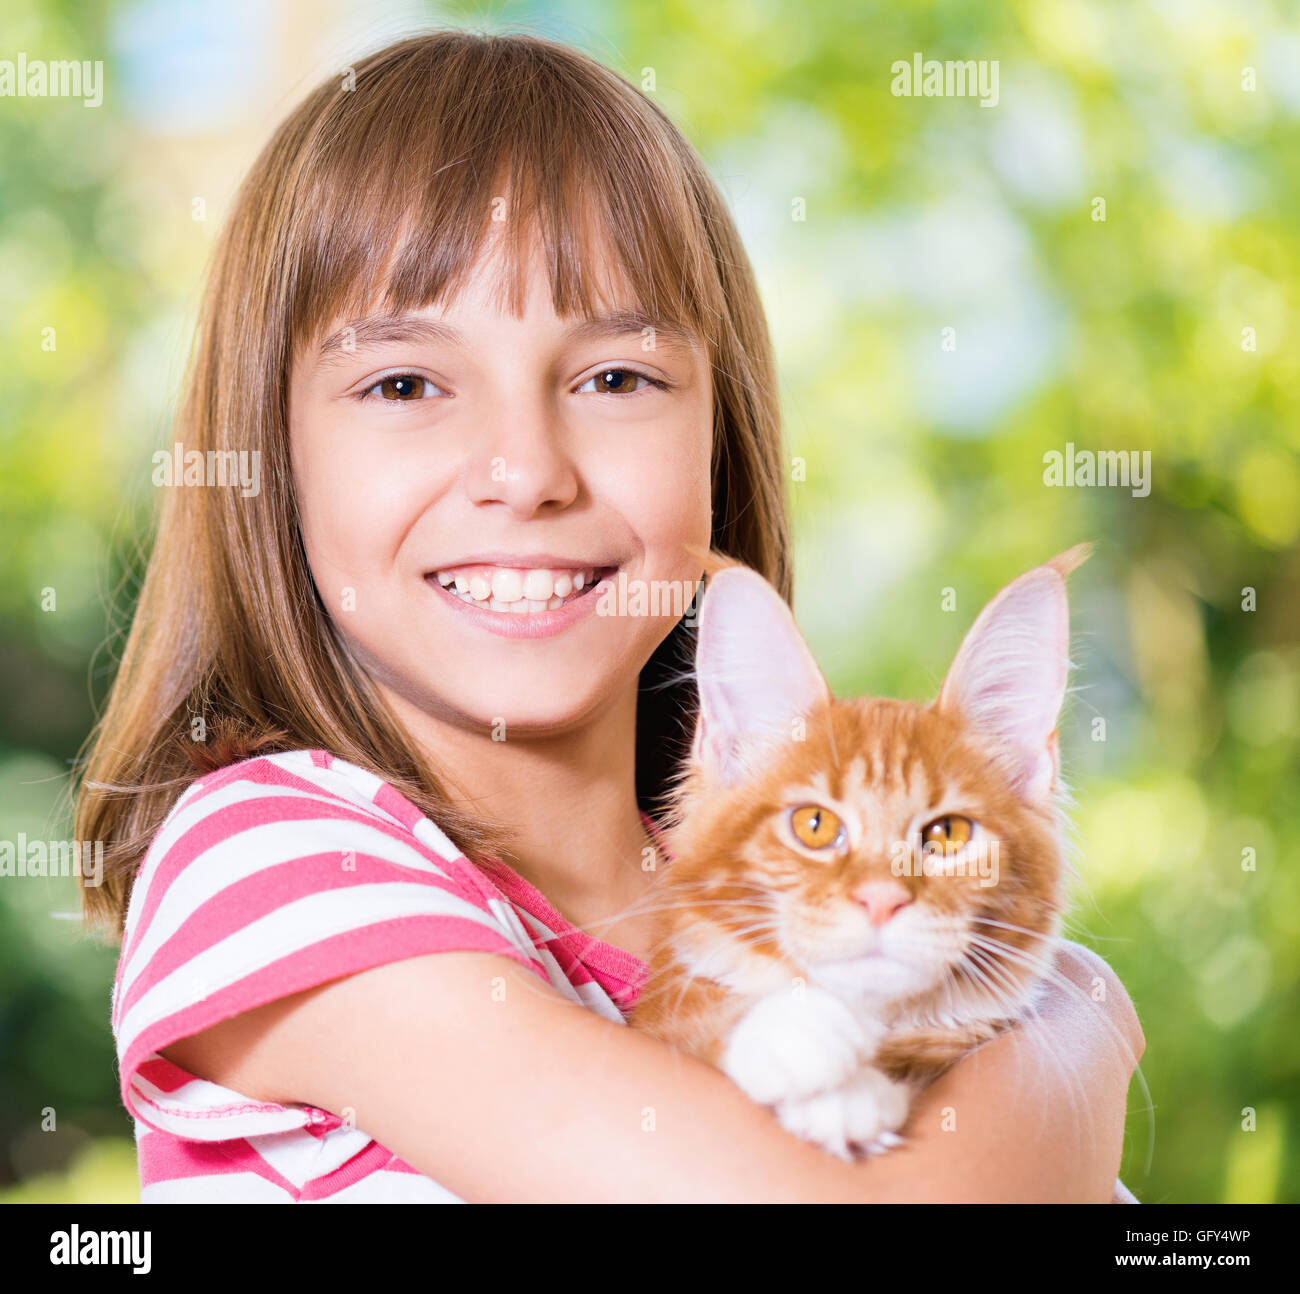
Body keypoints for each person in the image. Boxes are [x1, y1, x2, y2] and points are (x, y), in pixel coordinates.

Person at [76, 29, 1143, 1203]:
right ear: (269, 458)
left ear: (720, 437)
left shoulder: (790, 893)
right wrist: (1078, 1026)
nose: (526, 472)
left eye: (614, 379)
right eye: (404, 383)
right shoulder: (276, 856)